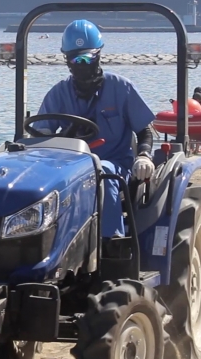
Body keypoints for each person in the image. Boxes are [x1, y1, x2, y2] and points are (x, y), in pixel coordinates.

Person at [33, 20, 155, 240]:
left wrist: (144, 155)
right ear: (66, 60)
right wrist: (65, 135)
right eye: (75, 58)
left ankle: (111, 242)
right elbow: (41, 138)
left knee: (103, 174)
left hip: (114, 164)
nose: (81, 64)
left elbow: (144, 130)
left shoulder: (121, 88)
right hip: (70, 166)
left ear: (98, 55)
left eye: (86, 58)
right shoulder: (59, 93)